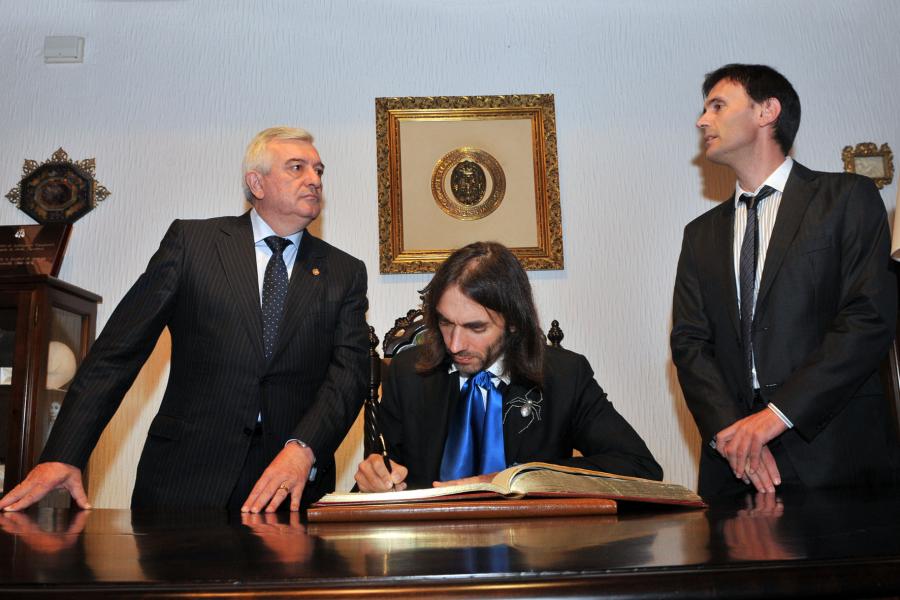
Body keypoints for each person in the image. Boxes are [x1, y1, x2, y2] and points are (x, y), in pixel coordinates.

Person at [0, 127, 369, 513]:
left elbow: (349, 375)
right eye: (297, 167)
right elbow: (116, 354)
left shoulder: (344, 272)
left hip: (288, 488)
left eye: (319, 171)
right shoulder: (193, 244)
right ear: (256, 183)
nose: (314, 179)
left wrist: (303, 448)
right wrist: (63, 454)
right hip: (183, 479)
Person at [671, 64, 899, 497]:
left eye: (717, 106)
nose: (702, 120)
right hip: (733, 464)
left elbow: (867, 317)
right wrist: (731, 434)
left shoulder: (847, 198)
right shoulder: (698, 234)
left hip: (834, 455)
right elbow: (688, 343)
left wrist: (776, 416)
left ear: (767, 111)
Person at [354, 241, 661, 492]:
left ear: (513, 323)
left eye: (476, 327)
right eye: (446, 323)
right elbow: (384, 469)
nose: (455, 344)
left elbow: (640, 467)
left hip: (531, 551)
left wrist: (521, 478)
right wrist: (374, 477)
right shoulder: (410, 373)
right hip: (431, 551)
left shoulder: (565, 376)